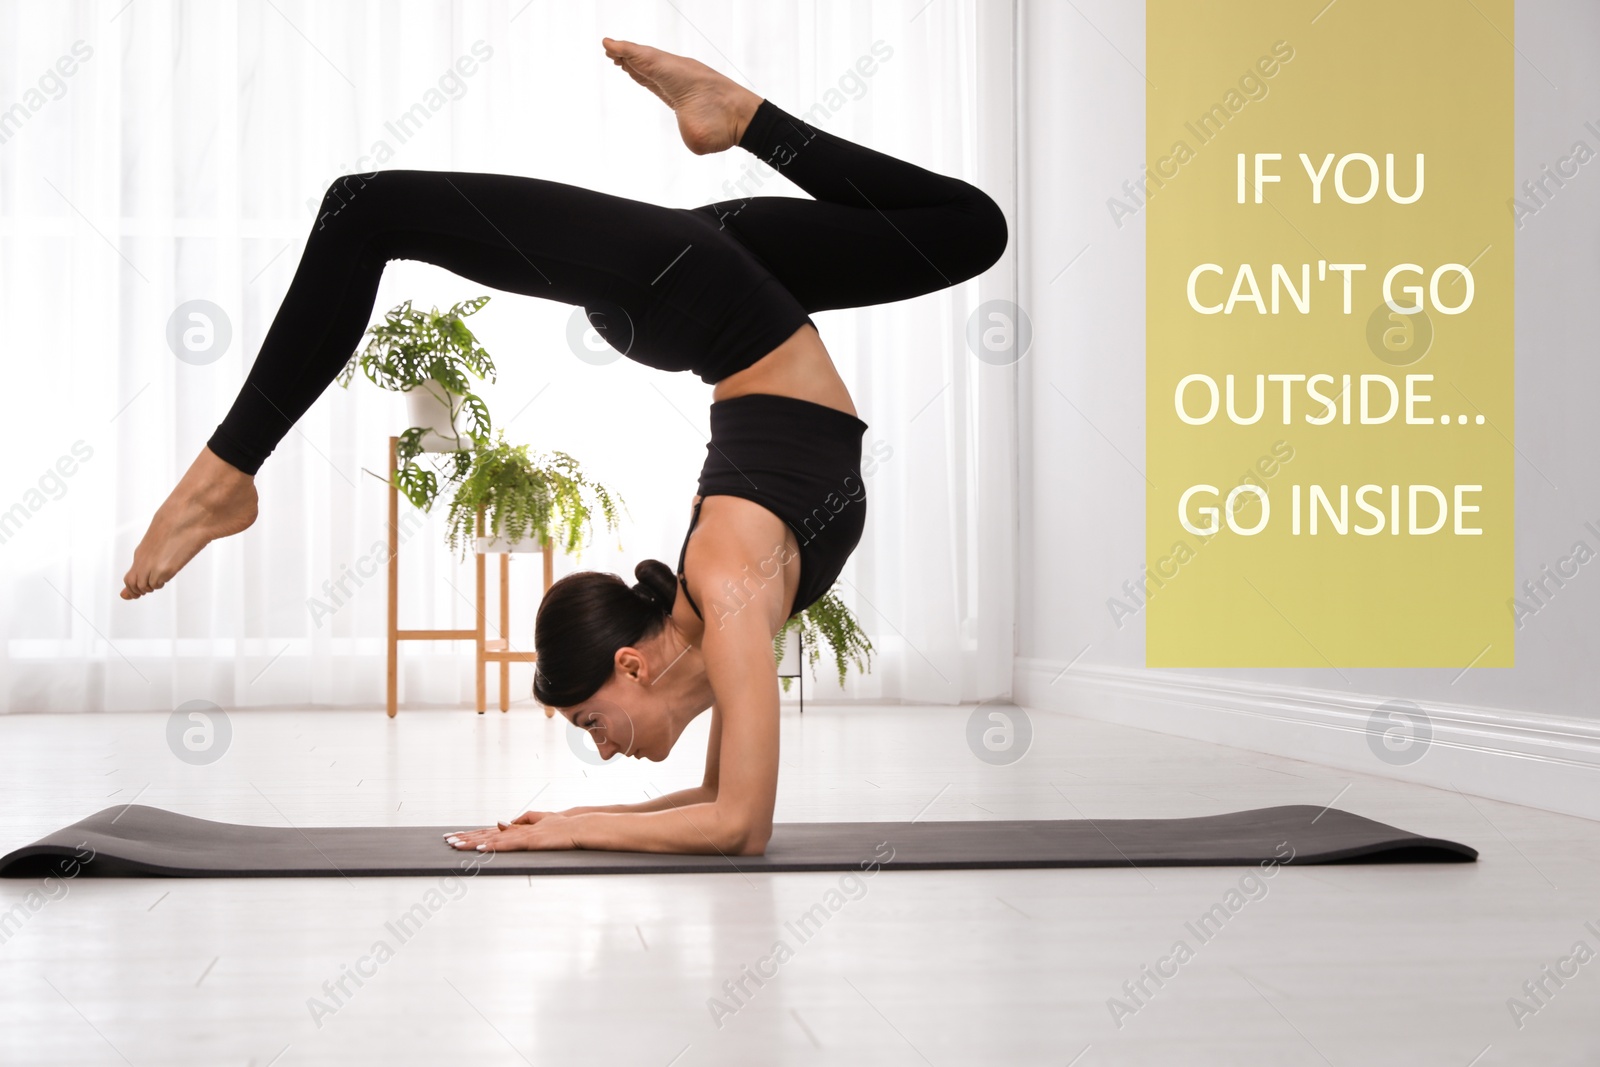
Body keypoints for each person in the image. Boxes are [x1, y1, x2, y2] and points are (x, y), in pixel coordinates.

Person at [120, 39, 1007, 855]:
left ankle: (223, 477)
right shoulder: (731, 604)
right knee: (966, 230)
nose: (604, 747)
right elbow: (724, 807)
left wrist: (575, 831)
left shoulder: (729, 591)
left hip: (698, 295)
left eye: (589, 722)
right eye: (590, 729)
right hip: (722, 296)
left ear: (632, 665)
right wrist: (569, 821)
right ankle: (739, 119)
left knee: (368, 209)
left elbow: (737, 825)